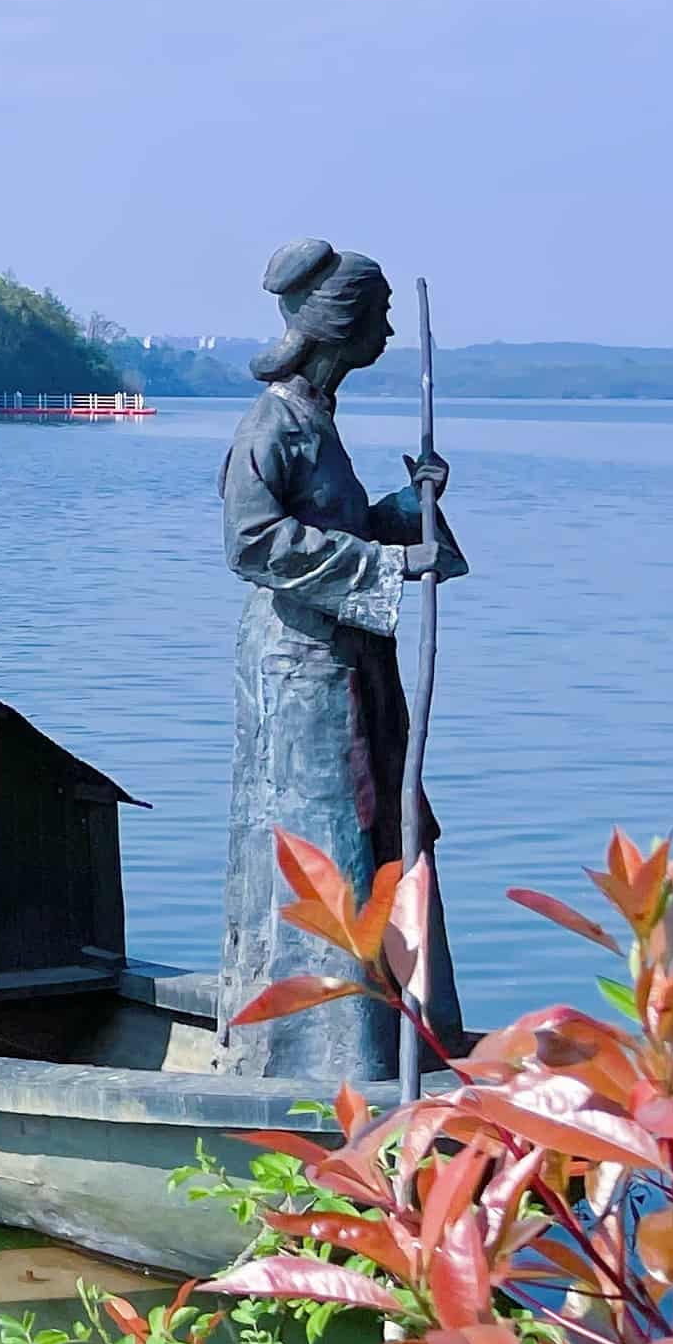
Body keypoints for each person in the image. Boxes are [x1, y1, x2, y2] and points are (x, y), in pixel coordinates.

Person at [219, 239, 463, 1077]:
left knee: (373, 833)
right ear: (343, 321)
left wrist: (409, 510)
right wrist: (391, 565)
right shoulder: (274, 424)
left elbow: (334, 530)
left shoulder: (316, 420)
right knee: (327, 844)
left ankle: (391, 1043)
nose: (392, 328)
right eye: (381, 312)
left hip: (344, 665)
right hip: (303, 677)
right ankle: (323, 1061)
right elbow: (252, 543)